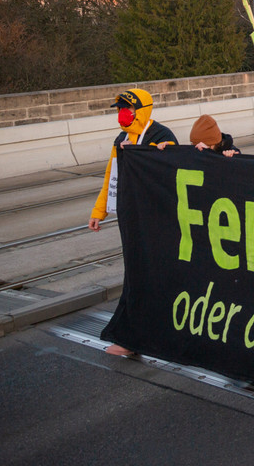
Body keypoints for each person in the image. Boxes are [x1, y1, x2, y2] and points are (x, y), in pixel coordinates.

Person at [87, 89, 177, 356]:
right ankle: (134, 336)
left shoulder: (162, 136)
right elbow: (110, 177)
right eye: (119, 109)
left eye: (127, 108)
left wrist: (145, 153)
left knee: (151, 274)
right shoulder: (121, 138)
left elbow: (171, 169)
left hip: (155, 219)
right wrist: (98, 211)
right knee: (137, 274)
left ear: (142, 110)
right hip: (131, 216)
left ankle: (139, 336)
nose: (122, 114)